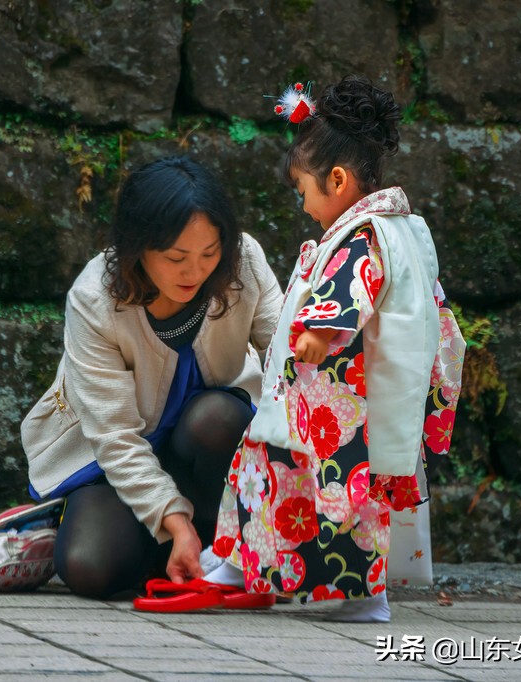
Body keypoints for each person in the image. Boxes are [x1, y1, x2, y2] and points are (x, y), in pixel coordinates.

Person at [200, 75, 466, 622]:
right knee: (270, 466)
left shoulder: (365, 237)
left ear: (337, 180)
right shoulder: (400, 230)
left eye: (304, 193)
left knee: (342, 497)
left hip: (342, 408)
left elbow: (352, 285)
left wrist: (321, 331)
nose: (303, 207)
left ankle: (364, 594)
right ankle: (240, 557)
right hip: (324, 400)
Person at [20, 156, 283, 599]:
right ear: (137, 246)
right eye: (176, 257)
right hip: (114, 460)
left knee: (217, 417)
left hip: (205, 450)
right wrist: (174, 522)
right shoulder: (94, 300)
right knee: (90, 568)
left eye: (209, 253)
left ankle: (228, 544)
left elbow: (289, 358)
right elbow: (115, 437)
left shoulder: (244, 263)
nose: (195, 272)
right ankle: (184, 544)